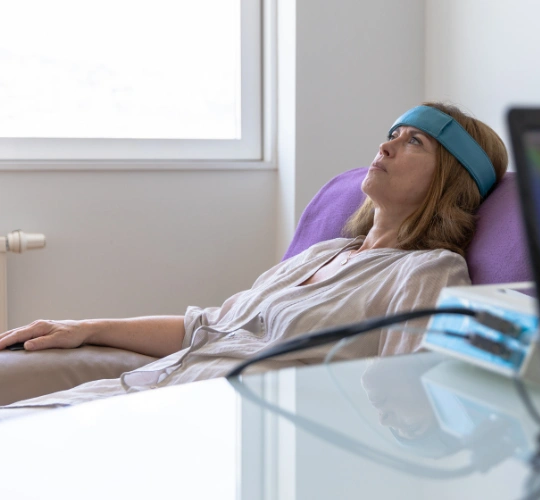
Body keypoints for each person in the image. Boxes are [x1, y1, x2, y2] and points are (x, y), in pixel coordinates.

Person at [0, 101, 509, 411]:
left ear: (449, 180)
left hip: (217, 424)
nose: (385, 146)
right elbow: (212, 326)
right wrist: (85, 327)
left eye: (413, 141)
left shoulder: (429, 271)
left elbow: (406, 397)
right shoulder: (325, 253)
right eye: (391, 133)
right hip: (150, 389)